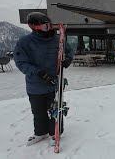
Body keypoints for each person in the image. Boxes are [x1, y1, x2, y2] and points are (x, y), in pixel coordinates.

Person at [14, 12, 74, 146]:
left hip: (54, 83)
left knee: (55, 109)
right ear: (34, 28)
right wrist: (39, 73)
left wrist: (68, 59)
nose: (49, 30)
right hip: (35, 85)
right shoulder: (24, 42)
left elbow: (69, 51)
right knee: (38, 111)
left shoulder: (58, 39)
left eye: (49, 26)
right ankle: (40, 132)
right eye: (45, 27)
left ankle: (55, 132)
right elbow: (21, 62)